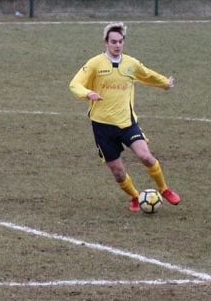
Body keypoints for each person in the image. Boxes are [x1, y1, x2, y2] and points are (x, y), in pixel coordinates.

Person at [69, 22, 181, 212]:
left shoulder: (131, 63)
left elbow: (147, 75)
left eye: (120, 41)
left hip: (127, 123)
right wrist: (88, 93)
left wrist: (165, 83)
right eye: (113, 42)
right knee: (118, 173)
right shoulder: (95, 63)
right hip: (102, 126)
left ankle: (164, 189)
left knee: (145, 156)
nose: (117, 45)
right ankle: (135, 197)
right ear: (106, 42)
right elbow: (74, 84)